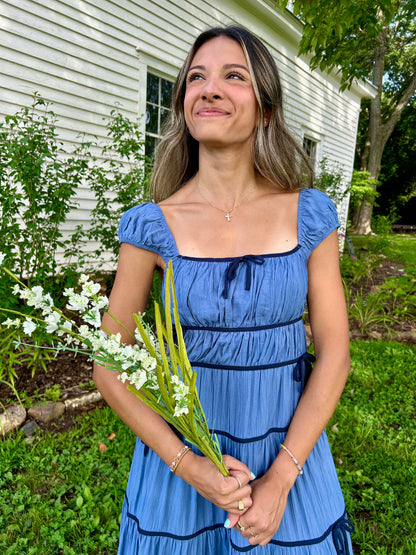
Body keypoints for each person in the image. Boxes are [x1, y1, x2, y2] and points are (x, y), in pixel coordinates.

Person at [93, 25, 354, 554]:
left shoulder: (310, 216)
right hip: (184, 469)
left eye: (233, 76)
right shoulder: (149, 226)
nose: (209, 89)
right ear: (183, 107)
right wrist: (192, 470)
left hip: (289, 455)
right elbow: (108, 366)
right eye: (196, 78)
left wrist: (281, 479)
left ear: (264, 109)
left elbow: (335, 353)